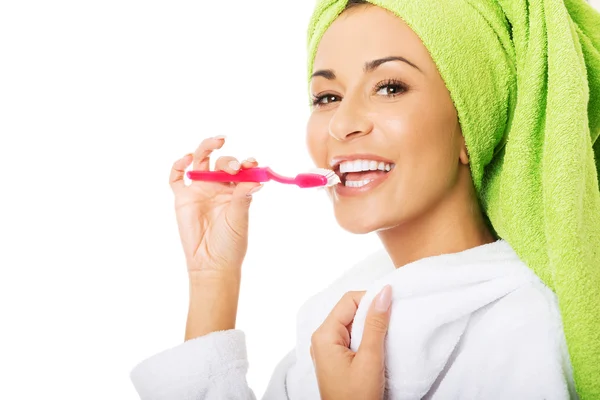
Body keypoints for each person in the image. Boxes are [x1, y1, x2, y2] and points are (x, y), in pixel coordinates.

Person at [130, 0, 600, 398]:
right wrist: (212, 277)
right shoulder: (338, 314)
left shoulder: (523, 335)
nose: (341, 123)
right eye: (327, 96)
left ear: (471, 127)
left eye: (390, 87)